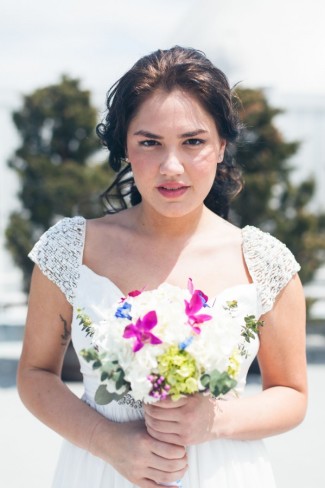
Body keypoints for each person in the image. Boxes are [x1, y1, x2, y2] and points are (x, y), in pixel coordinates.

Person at [17, 46, 307, 488]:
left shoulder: (264, 262)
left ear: (222, 145)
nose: (172, 167)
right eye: (150, 142)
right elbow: (35, 376)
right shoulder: (72, 250)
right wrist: (108, 441)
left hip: (226, 473)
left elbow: (292, 394)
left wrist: (215, 421)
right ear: (126, 148)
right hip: (101, 471)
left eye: (193, 141)